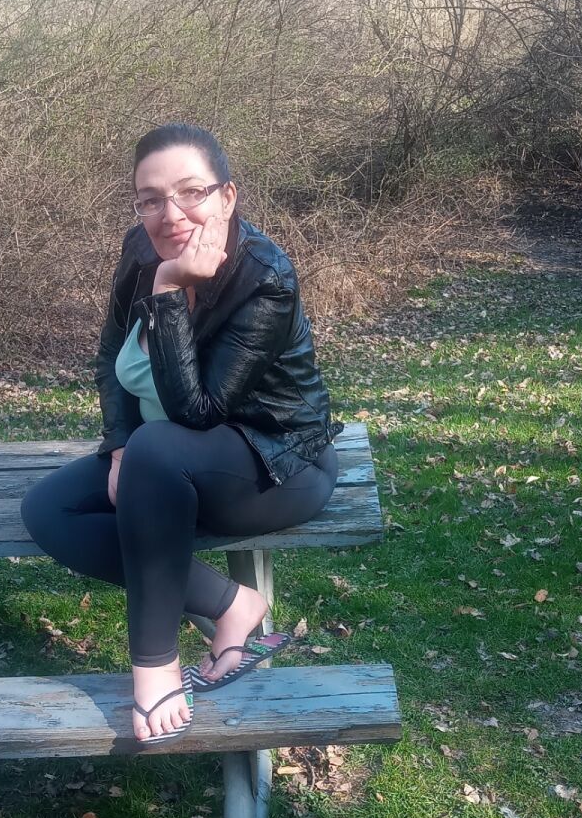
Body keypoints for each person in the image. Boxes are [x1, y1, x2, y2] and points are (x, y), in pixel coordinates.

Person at [20, 123, 342, 745]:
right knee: (48, 509)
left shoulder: (265, 276)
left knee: (158, 447)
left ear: (228, 196)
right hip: (163, 459)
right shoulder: (140, 251)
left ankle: (155, 666)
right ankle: (232, 604)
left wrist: (169, 289)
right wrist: (120, 446)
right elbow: (112, 355)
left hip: (276, 467)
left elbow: (201, 412)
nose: (170, 215)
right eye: (150, 199)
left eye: (192, 192)